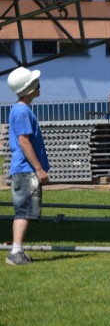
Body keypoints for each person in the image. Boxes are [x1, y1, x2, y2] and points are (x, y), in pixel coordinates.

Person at [5, 66, 50, 266]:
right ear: (30, 87)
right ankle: (16, 252)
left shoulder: (19, 110)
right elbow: (24, 141)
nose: (39, 85)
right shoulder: (23, 111)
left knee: (25, 211)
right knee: (24, 211)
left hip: (22, 169)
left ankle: (17, 250)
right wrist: (38, 169)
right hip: (25, 170)